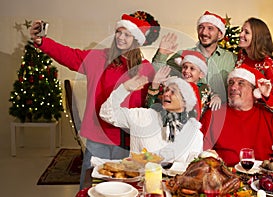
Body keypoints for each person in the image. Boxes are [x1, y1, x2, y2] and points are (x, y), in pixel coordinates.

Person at [29, 11, 160, 190]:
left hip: (127, 140)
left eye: (127, 34)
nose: (121, 38)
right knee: (90, 187)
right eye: (118, 32)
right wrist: (42, 42)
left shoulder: (145, 69)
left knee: (124, 188)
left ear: (135, 40)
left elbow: (152, 102)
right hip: (98, 137)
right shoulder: (99, 58)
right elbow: (69, 55)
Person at [200, 63, 273, 166]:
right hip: (224, 176)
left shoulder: (272, 119)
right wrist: (208, 156)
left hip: (262, 178)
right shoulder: (213, 115)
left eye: (241, 83)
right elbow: (198, 148)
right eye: (231, 83)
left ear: (254, 91)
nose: (233, 87)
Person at [100, 76, 203, 162]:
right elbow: (107, 113)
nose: (166, 94)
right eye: (166, 90)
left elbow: (193, 167)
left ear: (185, 102)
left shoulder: (194, 134)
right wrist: (124, 89)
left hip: (173, 184)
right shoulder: (143, 116)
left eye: (173, 92)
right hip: (139, 182)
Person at [152, 11, 237, 111]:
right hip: (188, 116)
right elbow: (158, 76)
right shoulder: (183, 54)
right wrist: (161, 54)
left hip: (220, 116)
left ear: (220, 34)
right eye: (201, 27)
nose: (204, 32)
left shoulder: (231, 58)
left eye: (210, 28)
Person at [147, 50, 219, 119]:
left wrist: (216, 97)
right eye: (185, 67)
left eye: (192, 68)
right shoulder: (172, 85)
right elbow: (152, 107)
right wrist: (155, 86)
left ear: (201, 74)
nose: (187, 71)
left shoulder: (205, 88)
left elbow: (213, 94)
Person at [236, 17, 273, 115]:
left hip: (258, 117)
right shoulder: (241, 56)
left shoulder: (267, 65)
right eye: (241, 30)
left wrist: (266, 95)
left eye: (246, 32)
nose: (240, 34)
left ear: (257, 37)